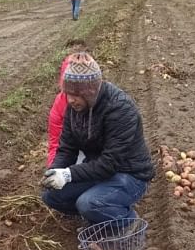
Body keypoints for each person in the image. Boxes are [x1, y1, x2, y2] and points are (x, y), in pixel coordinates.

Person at [41, 52, 153, 225]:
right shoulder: (74, 107)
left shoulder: (120, 109)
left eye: (76, 95)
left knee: (89, 204)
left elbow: (110, 164)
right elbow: (67, 148)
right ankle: (100, 215)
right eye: (68, 94)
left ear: (90, 92)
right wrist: (55, 171)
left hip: (129, 173)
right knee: (52, 196)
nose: (70, 100)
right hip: (99, 170)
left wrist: (69, 174)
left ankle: (129, 222)